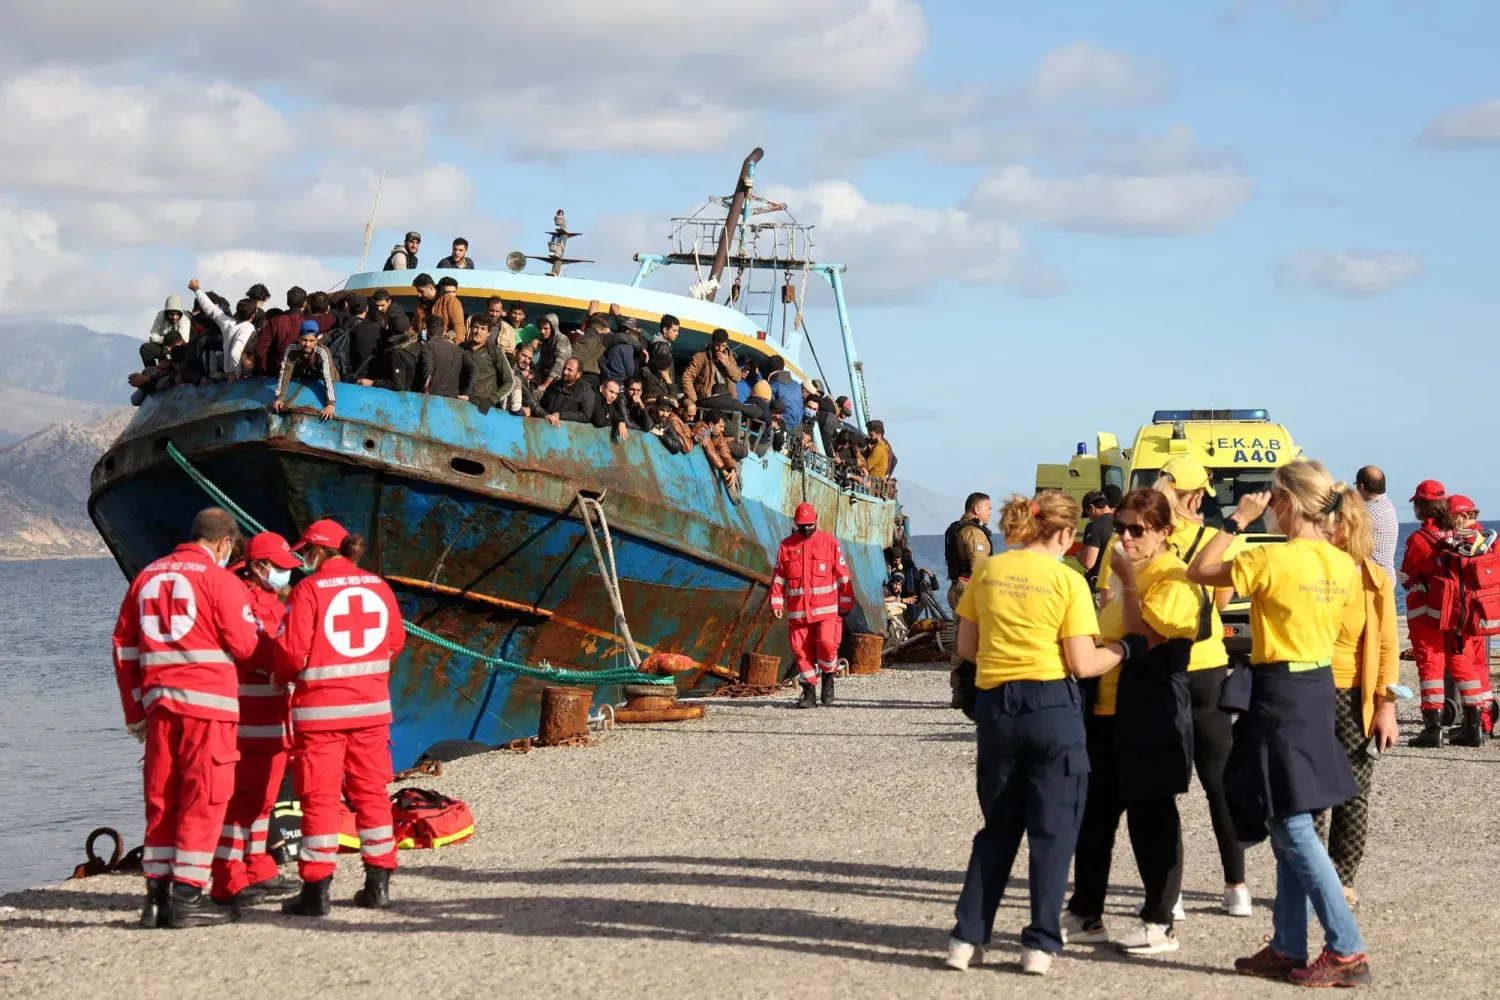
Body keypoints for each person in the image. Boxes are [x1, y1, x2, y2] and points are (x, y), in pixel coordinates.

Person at [1187, 459, 1371, 987]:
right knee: (1286, 815)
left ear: (1285, 502)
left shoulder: (1272, 558)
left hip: (1281, 691)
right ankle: (1289, 944)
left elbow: (1199, 571)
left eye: (1270, 496)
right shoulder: (1343, 563)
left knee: (1291, 824)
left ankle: (1347, 949)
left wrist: (1237, 520)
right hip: (1317, 686)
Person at [946, 491, 1134, 977]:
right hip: (1051, 706)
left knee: (999, 827)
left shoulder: (988, 572)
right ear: (1067, 534)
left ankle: (967, 938)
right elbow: (1082, 663)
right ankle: (1039, 944)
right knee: (1052, 831)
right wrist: (1124, 649)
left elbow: (967, 647)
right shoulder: (1067, 580)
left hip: (997, 708)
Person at [1110, 458, 1249, 916]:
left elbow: (1113, 597)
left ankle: (1172, 893)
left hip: (1157, 665)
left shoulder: (1133, 534)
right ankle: (1236, 887)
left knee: (1162, 789)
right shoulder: (1213, 538)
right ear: (1197, 494)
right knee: (1218, 783)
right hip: (1206, 663)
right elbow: (1222, 600)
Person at [110, 508, 261, 928]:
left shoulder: (146, 577)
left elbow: (124, 647)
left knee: (162, 799)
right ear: (224, 543)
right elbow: (245, 645)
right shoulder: (220, 581)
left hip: (160, 709)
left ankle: (156, 899)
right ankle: (188, 897)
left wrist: (135, 711)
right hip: (208, 710)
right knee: (204, 799)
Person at [1063, 488, 1199, 955]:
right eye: (1120, 528)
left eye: (1137, 530)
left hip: (1152, 711)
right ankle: (1086, 913)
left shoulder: (1174, 576)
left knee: (1152, 818)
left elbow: (1148, 635)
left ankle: (1160, 921)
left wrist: (1126, 577)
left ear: (1164, 531)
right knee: (1095, 816)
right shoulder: (1126, 570)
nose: (1125, 537)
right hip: (1106, 711)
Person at [275, 520, 406, 916]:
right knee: (372, 794)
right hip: (371, 710)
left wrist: (282, 677)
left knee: (320, 799)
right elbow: (395, 641)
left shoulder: (308, 590)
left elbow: (291, 652)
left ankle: (316, 892)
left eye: (305, 552)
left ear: (318, 551)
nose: (303, 559)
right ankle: (379, 884)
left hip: (321, 716)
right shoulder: (378, 586)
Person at [1313, 487, 1400, 910]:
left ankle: (1342, 879)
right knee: (1307, 794)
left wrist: (1387, 706)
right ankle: (1311, 880)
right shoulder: (1307, 570)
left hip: (1353, 696)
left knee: (1353, 792)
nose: (1327, 529)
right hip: (1305, 690)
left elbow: (1387, 646)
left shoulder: (1373, 579)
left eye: (1334, 522)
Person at [209, 532, 302, 908]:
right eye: (280, 567)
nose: (286, 574)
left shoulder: (273, 602)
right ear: (260, 566)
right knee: (240, 801)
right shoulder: (239, 599)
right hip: (245, 718)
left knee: (264, 800)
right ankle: (228, 873)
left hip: (275, 718)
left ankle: (258, 864)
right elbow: (254, 651)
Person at [769, 503, 855, 709]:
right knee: (801, 651)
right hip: (798, 612)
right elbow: (779, 577)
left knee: (827, 643)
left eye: (809, 525)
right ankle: (808, 692)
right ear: (795, 524)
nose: (806, 529)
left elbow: (843, 575)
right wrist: (776, 600)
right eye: (802, 526)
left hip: (826, 610)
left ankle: (828, 677)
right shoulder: (786, 546)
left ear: (816, 521)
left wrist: (846, 601)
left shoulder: (829, 542)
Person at [1438, 494, 1494, 745]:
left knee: (1462, 664)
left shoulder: (1468, 542)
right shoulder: (1490, 539)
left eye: (1450, 517)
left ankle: (1474, 726)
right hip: (1482, 614)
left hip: (1465, 616)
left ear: (1463, 515)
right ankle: (1485, 722)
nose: (1448, 522)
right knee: (1480, 669)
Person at [1401, 479, 1453, 747]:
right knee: (1462, 664)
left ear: (1421, 506)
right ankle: (1475, 723)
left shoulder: (1418, 539)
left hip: (1427, 611)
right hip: (1456, 611)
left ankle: (1433, 728)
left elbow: (1408, 573)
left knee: (1430, 664)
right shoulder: (1458, 533)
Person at [680, 330, 758, 423]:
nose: (720, 349)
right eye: (717, 345)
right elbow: (686, 377)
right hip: (707, 404)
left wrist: (727, 363)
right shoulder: (701, 357)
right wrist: (694, 400)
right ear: (713, 342)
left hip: (726, 404)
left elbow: (738, 377)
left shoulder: (730, 357)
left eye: (723, 346)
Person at [187, 280, 256, 378]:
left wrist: (196, 289)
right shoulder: (248, 328)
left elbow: (210, 308)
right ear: (253, 315)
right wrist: (238, 374)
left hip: (228, 375)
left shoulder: (228, 323)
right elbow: (235, 353)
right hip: (238, 378)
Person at [271, 322, 337, 420]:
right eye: (304, 340)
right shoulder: (292, 349)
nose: (307, 344)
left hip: (323, 380)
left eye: (311, 341)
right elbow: (285, 372)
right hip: (303, 380)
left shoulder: (323, 352)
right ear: (299, 338)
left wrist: (330, 404)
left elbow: (328, 377)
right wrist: (279, 398)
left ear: (316, 340)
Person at [944, 494, 993, 612]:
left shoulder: (956, 529)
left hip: (955, 589)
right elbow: (979, 568)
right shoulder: (974, 533)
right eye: (988, 509)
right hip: (970, 593)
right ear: (977, 510)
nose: (990, 513)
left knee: (960, 624)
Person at [252, 286, 309, 376]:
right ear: (305, 304)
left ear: (287, 302)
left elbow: (261, 349)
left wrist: (263, 369)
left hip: (276, 371)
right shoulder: (308, 322)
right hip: (300, 373)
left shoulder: (275, 321)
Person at [464, 315, 515, 414]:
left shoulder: (494, 351)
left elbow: (509, 381)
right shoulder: (461, 349)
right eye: (476, 327)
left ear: (488, 333)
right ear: (470, 328)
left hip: (484, 409)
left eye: (483, 329)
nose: (478, 331)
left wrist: (491, 400)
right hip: (461, 404)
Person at [1355, 466, 1398, 580]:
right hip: (1385, 576)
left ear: (1361, 486)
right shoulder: (1386, 505)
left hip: (1374, 579)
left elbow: (1354, 545)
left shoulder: (1370, 512)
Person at [370, 312, 429, 392]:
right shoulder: (417, 346)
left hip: (401, 395)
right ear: (409, 329)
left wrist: (373, 383)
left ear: (392, 329)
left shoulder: (396, 352)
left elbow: (398, 385)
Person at [1078, 486, 1119, 592]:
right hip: (1121, 586)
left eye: (1088, 514)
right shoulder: (1123, 522)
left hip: (1099, 586)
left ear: (1091, 508)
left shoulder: (1094, 526)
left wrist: (1079, 556)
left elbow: (1088, 563)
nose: (1090, 518)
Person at [425, 321, 475, 400]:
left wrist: (425, 390)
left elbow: (427, 370)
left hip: (432, 396)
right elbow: (473, 368)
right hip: (452, 397)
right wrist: (466, 393)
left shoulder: (428, 346)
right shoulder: (459, 349)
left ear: (427, 331)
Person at [540, 358, 597, 426]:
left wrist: (560, 415)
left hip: (566, 429)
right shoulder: (555, 385)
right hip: (546, 425)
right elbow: (543, 404)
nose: (565, 372)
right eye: (564, 368)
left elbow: (585, 416)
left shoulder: (586, 391)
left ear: (579, 374)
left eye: (570, 370)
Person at [534, 313, 571, 395]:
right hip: (548, 378)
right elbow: (541, 363)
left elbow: (559, 363)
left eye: (545, 328)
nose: (542, 331)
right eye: (541, 328)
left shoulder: (561, 338)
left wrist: (544, 385)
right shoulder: (545, 341)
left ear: (553, 328)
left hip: (559, 382)